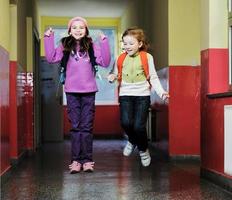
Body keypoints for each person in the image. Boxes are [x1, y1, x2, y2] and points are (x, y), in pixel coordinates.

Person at [44, 16, 111, 173]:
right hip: (72, 91)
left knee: (86, 127)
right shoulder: (64, 45)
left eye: (81, 27)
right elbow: (51, 57)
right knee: (75, 127)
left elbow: (106, 62)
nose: (78, 30)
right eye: (74, 27)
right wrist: (48, 37)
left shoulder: (92, 46)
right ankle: (75, 161)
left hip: (89, 92)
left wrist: (105, 41)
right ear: (69, 30)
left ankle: (87, 160)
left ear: (86, 30)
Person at [108, 27, 169, 167]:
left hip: (142, 95)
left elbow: (153, 77)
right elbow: (116, 74)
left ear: (140, 44)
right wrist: (112, 77)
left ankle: (143, 150)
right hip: (125, 94)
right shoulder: (120, 58)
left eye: (131, 43)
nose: (127, 46)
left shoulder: (147, 57)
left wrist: (162, 93)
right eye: (125, 43)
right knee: (126, 123)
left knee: (139, 126)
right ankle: (132, 140)